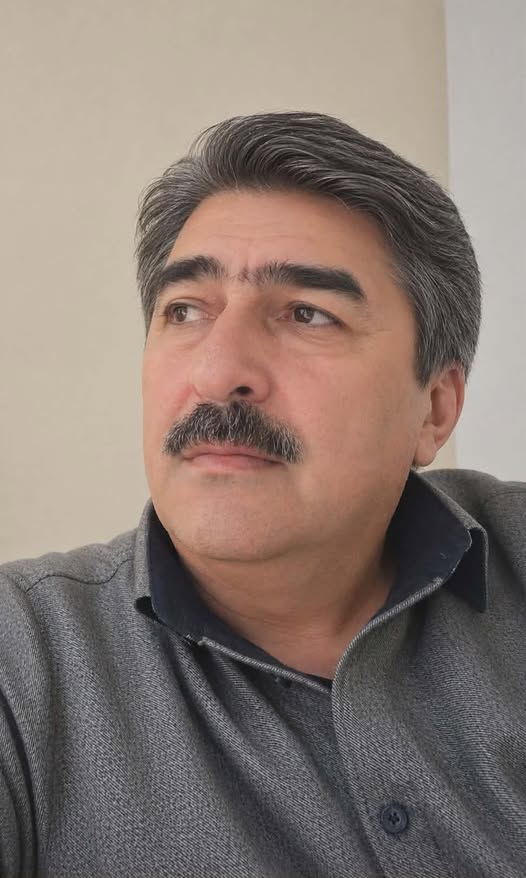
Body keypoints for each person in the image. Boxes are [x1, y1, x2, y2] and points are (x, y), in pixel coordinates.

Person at [1, 111, 524, 878]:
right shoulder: (20, 666)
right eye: (185, 310)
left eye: (307, 313)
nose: (217, 373)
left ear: (435, 410)